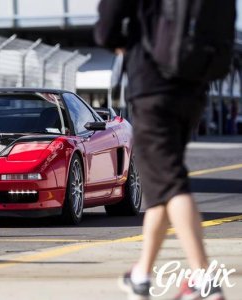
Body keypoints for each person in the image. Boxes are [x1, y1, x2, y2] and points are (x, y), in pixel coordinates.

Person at [94, 1, 225, 299]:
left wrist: (121, 44)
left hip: (153, 85)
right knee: (160, 183)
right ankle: (141, 274)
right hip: (194, 87)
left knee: (170, 182)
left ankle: (203, 279)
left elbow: (107, 28)